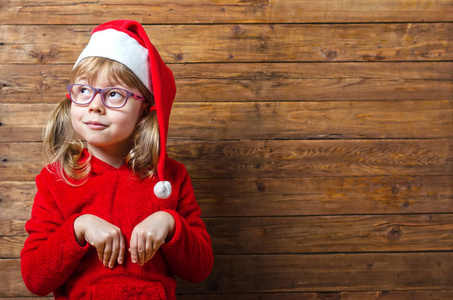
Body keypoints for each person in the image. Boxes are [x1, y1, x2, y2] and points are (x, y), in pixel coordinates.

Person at [20, 20, 213, 299]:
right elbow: (35, 279)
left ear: (145, 111)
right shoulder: (55, 180)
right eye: (84, 90)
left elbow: (200, 269)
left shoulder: (171, 177)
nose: (95, 105)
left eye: (114, 94)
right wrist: (77, 227)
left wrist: (170, 223)